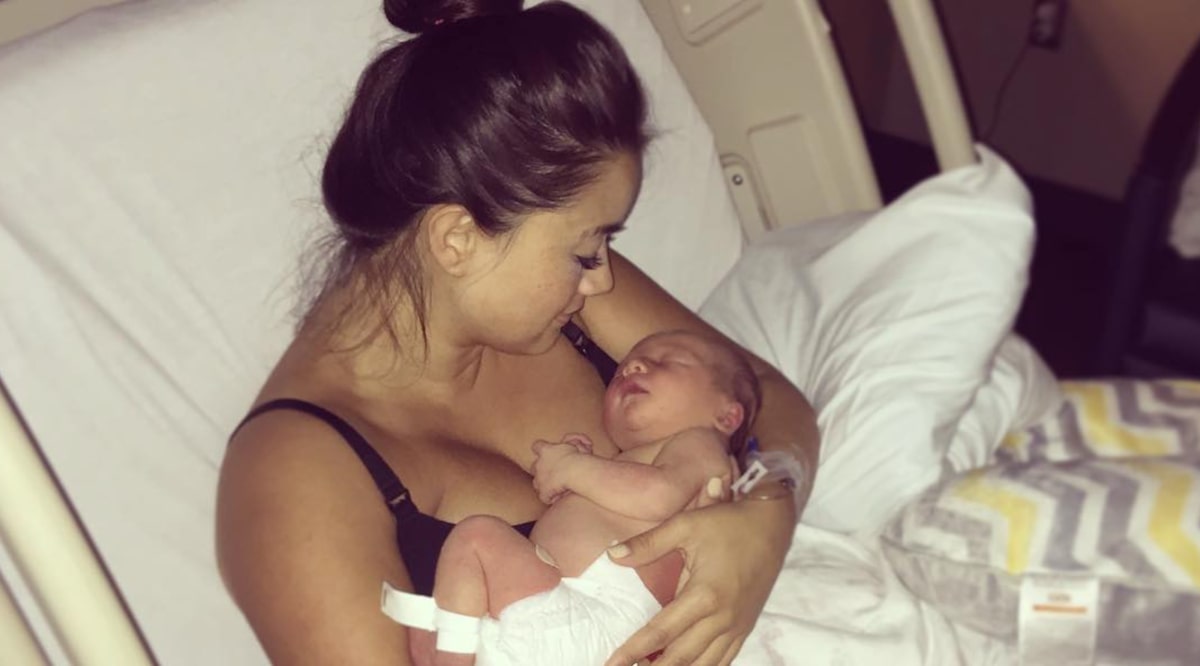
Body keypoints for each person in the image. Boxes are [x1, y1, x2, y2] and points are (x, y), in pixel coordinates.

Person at [215, 2, 820, 665]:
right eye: (585, 251)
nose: (601, 278)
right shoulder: (295, 476)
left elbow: (761, 393)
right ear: (457, 239)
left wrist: (766, 518)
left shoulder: (566, 298)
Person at [384, 330, 761, 665]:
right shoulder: (627, 465)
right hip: (565, 617)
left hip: (594, 610)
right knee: (418, 626)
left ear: (727, 416)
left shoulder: (701, 443)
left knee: (476, 538)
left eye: (669, 361)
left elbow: (658, 496)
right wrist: (571, 483)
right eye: (622, 369)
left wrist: (572, 468)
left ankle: (451, 656)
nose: (632, 367)